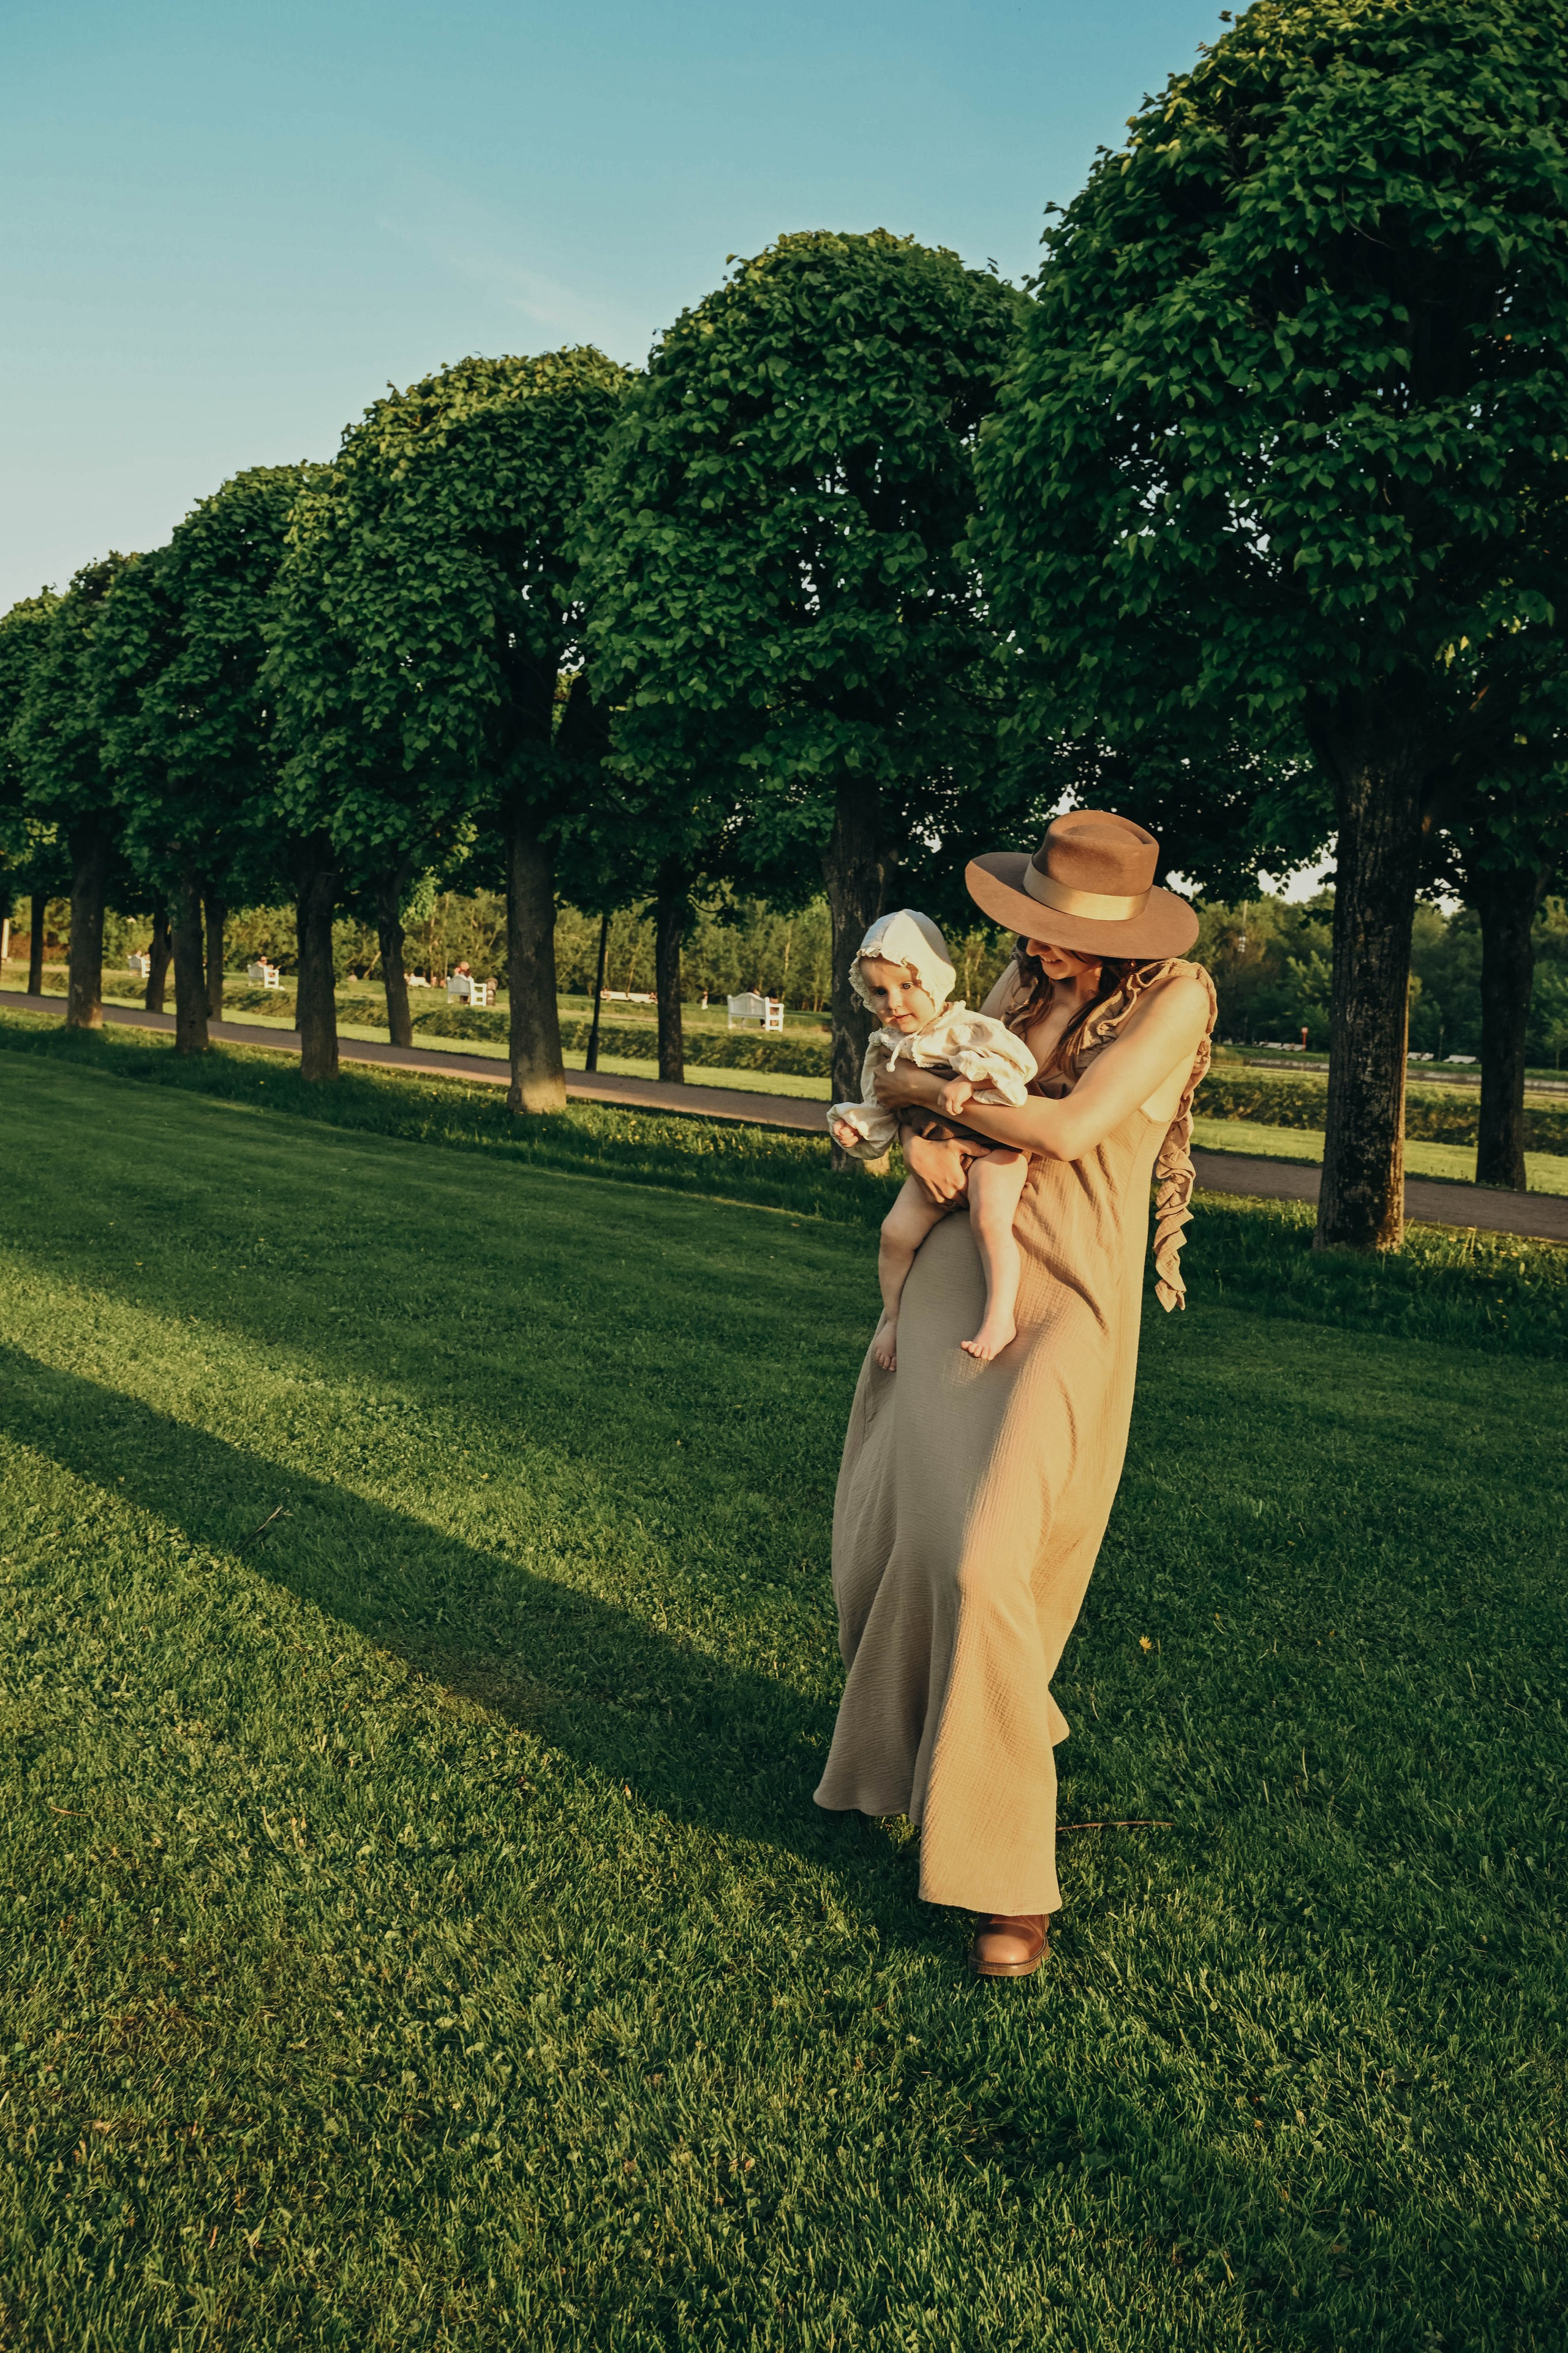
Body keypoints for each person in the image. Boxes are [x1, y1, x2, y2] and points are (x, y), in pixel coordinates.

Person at [813, 810, 1216, 1979]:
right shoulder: (1021, 972)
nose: (1036, 957)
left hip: (1069, 1289)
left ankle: (1005, 1876)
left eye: (1058, 943)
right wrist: (916, 1130)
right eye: (1028, 936)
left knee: (990, 1557)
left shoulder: (1176, 1001)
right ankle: (926, 1749)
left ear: (1130, 942)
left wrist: (942, 1110)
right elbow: (910, 1054)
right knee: (897, 1532)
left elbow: (1067, 1123)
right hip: (955, 1264)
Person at [827, 910, 1039, 1368]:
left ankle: (1000, 1316)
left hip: (994, 1150)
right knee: (894, 1233)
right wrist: (858, 1127)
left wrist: (974, 1081)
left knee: (989, 1218)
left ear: (934, 980)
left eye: (906, 986)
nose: (893, 1002)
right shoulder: (883, 1047)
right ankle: (893, 1317)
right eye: (880, 991)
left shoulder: (966, 1028)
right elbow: (883, 1108)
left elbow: (1020, 1069)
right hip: (931, 1144)